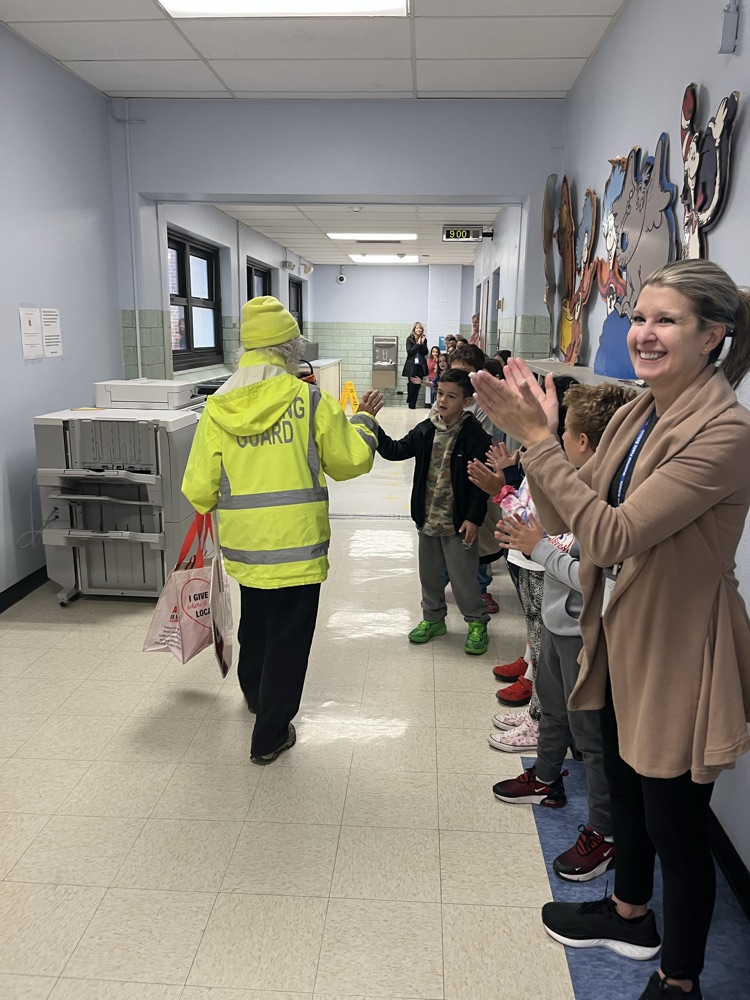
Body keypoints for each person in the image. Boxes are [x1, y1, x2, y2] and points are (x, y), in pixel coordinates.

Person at [471, 259, 750, 1000]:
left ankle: (679, 976)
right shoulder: (639, 410)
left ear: (713, 336)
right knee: (623, 787)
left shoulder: (725, 432)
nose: (644, 333)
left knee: (676, 827)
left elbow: (613, 536)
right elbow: (565, 515)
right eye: (638, 316)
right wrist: (541, 443)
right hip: (620, 628)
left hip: (680, 645)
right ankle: (628, 914)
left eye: (667, 320)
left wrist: (538, 440)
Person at [182, 296, 383, 764]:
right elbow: (349, 461)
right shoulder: (308, 398)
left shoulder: (217, 407)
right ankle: (270, 734)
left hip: (246, 546)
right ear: (288, 347)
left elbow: (197, 490)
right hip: (298, 544)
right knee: (290, 636)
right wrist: (366, 423)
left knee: (257, 621)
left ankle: (255, 697)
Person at [492, 383, 635, 884]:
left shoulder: (610, 503)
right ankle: (546, 778)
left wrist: (539, 549)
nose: (559, 443)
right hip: (557, 625)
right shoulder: (567, 487)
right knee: (552, 709)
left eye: (564, 435)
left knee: (593, 739)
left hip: (587, 635)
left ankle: (605, 829)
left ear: (586, 445)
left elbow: (596, 578)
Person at [376, 369, 491, 655]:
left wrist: (474, 518)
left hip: (458, 521)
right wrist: (372, 426)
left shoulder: (475, 436)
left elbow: (481, 483)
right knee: (429, 575)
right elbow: (395, 450)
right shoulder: (427, 429)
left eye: (451, 396)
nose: (442, 401)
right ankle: (433, 619)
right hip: (427, 517)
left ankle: (476, 622)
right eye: (440, 393)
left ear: (466, 402)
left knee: (464, 577)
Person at [402, 321, 428, 409]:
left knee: (418, 384)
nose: (419, 330)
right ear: (414, 329)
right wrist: (418, 344)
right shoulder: (409, 339)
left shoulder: (424, 339)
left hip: (420, 365)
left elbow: (425, 352)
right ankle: (410, 401)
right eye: (417, 328)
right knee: (411, 384)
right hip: (411, 365)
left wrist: (423, 344)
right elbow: (410, 351)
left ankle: (413, 403)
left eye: (420, 328)